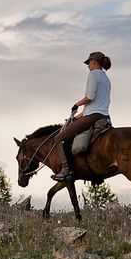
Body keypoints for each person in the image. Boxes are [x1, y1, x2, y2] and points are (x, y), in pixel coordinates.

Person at [51, 51, 111, 182]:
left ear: (94, 61)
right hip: (104, 116)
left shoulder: (93, 75)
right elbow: (96, 104)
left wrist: (76, 104)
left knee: (60, 138)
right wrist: (77, 117)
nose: (88, 65)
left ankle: (67, 170)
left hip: (93, 116)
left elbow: (90, 97)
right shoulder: (106, 78)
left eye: (89, 62)